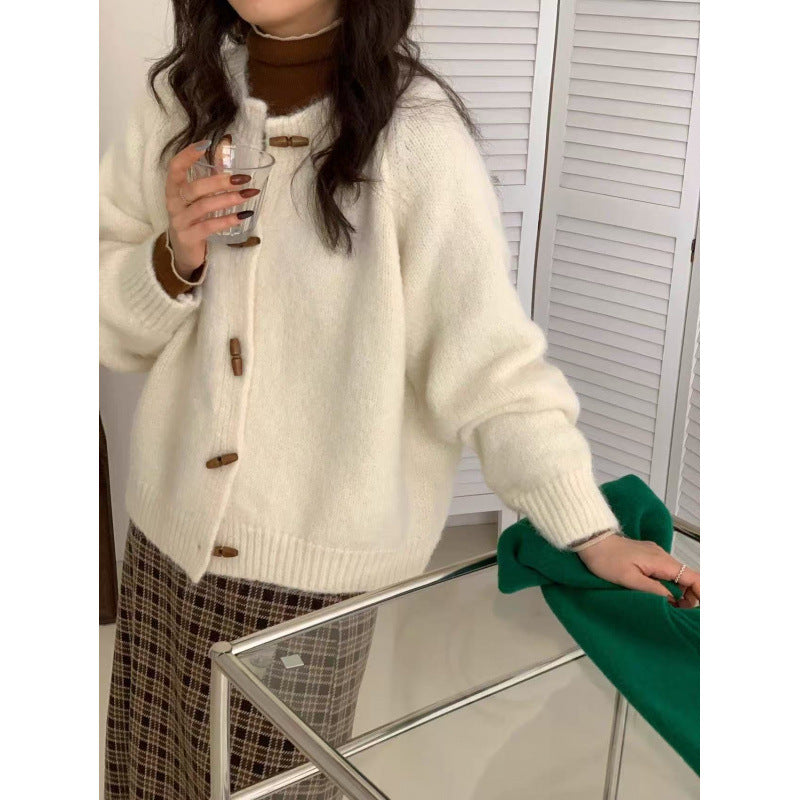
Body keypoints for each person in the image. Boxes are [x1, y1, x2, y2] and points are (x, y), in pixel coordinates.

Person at [100, 1, 701, 797]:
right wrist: (173, 258)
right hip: (162, 544)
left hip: (301, 581)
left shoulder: (417, 138)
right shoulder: (176, 103)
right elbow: (99, 315)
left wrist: (588, 530)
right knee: (146, 780)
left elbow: (489, 366)